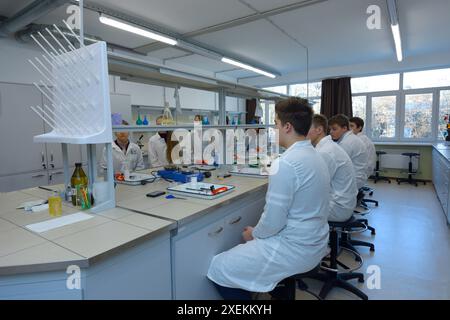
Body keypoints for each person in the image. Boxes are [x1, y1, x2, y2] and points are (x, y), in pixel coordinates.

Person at [207, 98, 330, 300]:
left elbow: (273, 221)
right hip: (315, 242)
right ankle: (277, 289)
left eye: (276, 124)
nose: (274, 129)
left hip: (294, 249)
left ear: (287, 126)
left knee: (218, 268)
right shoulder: (316, 156)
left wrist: (254, 234)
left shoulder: (286, 164)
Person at [307, 114, 357, 222]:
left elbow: (315, 185)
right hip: (342, 202)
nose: (303, 133)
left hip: (337, 208)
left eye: (306, 128)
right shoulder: (327, 147)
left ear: (319, 130)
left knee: (293, 207)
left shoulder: (326, 152)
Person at [328, 114, 368, 190]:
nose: (331, 132)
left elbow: (336, 164)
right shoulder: (349, 138)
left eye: (334, 129)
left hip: (355, 179)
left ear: (344, 128)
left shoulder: (347, 143)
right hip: (358, 175)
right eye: (330, 129)